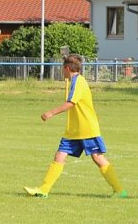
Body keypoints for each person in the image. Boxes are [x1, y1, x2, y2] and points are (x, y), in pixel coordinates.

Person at [24, 55, 126, 198]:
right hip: (73, 130)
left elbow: (71, 103)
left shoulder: (79, 82)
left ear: (67, 68)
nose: (62, 72)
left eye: (62, 69)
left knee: (98, 158)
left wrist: (50, 113)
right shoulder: (72, 81)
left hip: (86, 128)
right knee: (59, 155)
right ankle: (43, 190)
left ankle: (119, 190)